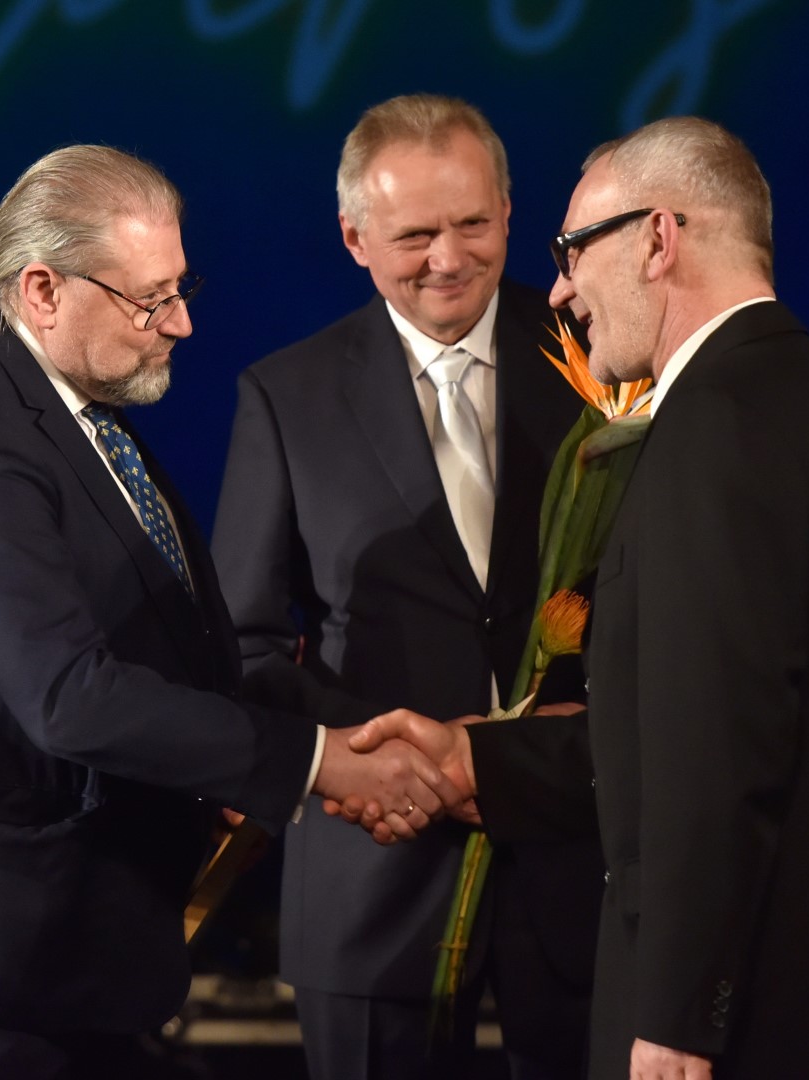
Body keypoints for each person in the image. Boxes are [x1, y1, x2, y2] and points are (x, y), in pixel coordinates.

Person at [349, 116, 809, 1079]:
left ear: (657, 238)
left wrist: (681, 1015)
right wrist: (477, 758)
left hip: (758, 1020)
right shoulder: (802, 399)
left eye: (573, 250)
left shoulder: (715, 429)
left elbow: (718, 750)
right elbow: (708, 726)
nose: (560, 291)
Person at [0, 143, 460, 1079]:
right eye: (151, 300)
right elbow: (70, 696)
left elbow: (167, 644)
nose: (183, 323)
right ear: (42, 290)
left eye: (180, 288)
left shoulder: (65, 405)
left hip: (73, 944)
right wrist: (318, 764)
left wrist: (301, 750)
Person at [211, 93, 596, 1080]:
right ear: (354, 238)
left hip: (576, 867)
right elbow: (244, 644)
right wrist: (380, 763)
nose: (448, 259)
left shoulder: (601, 361)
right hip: (373, 866)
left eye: (472, 224)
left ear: (510, 211)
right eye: (415, 235)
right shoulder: (285, 395)